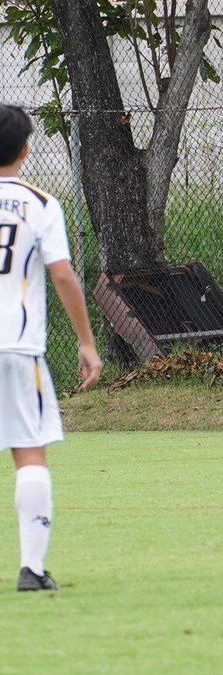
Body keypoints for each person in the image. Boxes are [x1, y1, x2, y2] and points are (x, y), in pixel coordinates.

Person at [0, 104, 103, 591]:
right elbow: (62, 274)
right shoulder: (41, 203)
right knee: (30, 454)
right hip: (19, 346)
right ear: (25, 149)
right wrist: (87, 342)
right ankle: (33, 570)